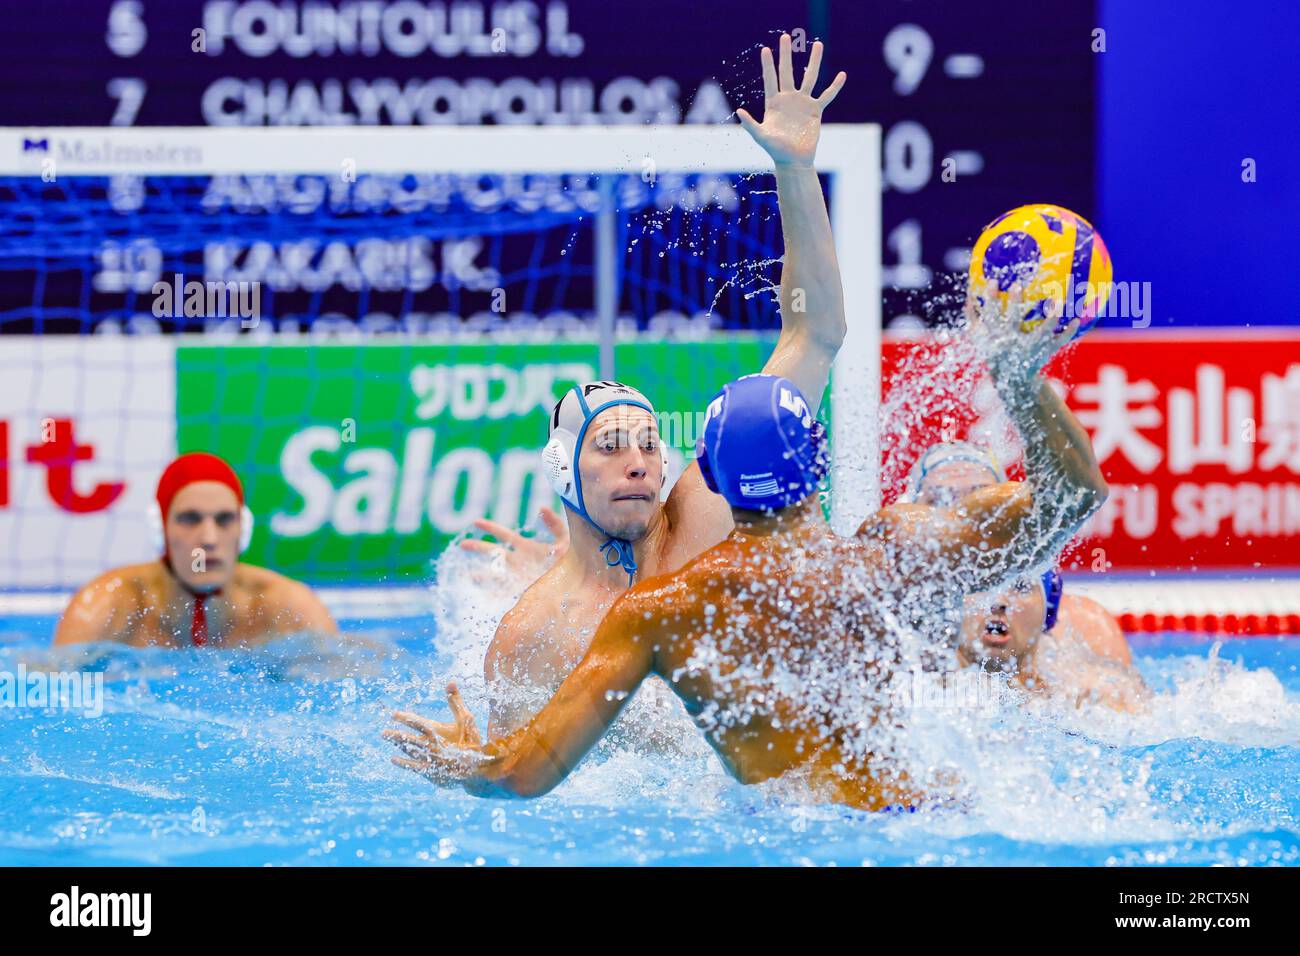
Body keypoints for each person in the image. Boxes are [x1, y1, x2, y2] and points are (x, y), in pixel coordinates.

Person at [385, 320, 1109, 808]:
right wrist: (1019, 377)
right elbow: (1073, 496)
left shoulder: (661, 614)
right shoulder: (895, 553)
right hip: (937, 821)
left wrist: (465, 761)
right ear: (817, 470)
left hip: (790, 838)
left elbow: (523, 773)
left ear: (716, 482)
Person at [480, 34, 850, 738]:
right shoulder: (530, 637)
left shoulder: (708, 515)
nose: (638, 461)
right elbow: (510, 775)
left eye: (648, 444)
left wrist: (795, 171)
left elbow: (816, 335)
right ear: (562, 469)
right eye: (612, 445)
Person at [903, 441, 1149, 711]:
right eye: (938, 500)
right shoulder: (898, 631)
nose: (960, 512)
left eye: (978, 497)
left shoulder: (1085, 626)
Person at [54, 452, 337, 648]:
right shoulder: (106, 607)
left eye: (225, 519)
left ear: (244, 528)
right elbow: (46, 686)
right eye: (190, 519)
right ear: (160, 528)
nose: (209, 538)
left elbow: (344, 683)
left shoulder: (288, 607)